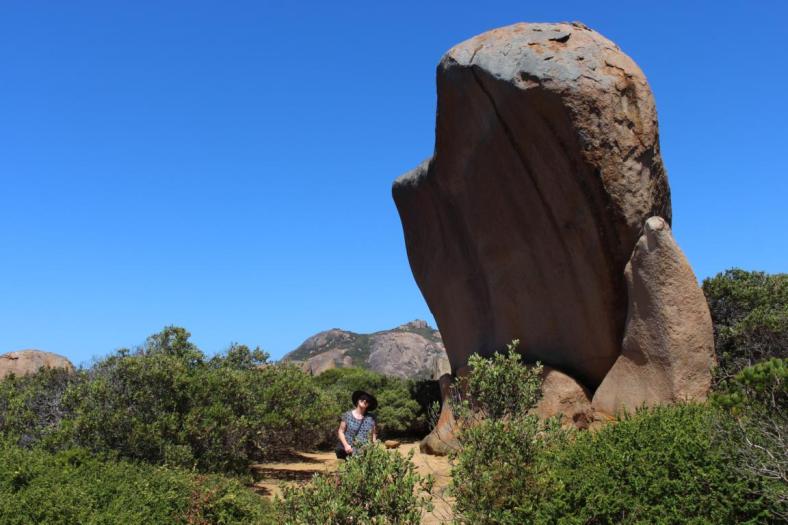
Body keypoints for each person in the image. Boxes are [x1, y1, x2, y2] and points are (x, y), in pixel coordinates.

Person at [336, 390, 378, 459]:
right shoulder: (347, 415)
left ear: (369, 404)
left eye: (368, 400)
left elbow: (373, 434)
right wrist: (346, 445)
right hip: (349, 453)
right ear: (358, 400)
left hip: (366, 455)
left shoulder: (372, 418)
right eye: (363, 398)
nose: (365, 401)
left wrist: (374, 447)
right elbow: (341, 431)